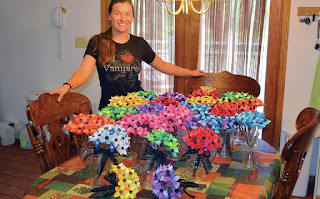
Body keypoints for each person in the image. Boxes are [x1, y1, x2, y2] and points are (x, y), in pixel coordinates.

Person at [50, 0, 205, 110]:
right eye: (117, 13)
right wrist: (67, 86)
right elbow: (84, 72)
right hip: (110, 109)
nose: (123, 19)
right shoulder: (97, 42)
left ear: (132, 17)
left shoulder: (139, 44)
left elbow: (163, 65)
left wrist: (190, 72)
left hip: (138, 107)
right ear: (109, 16)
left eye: (127, 14)